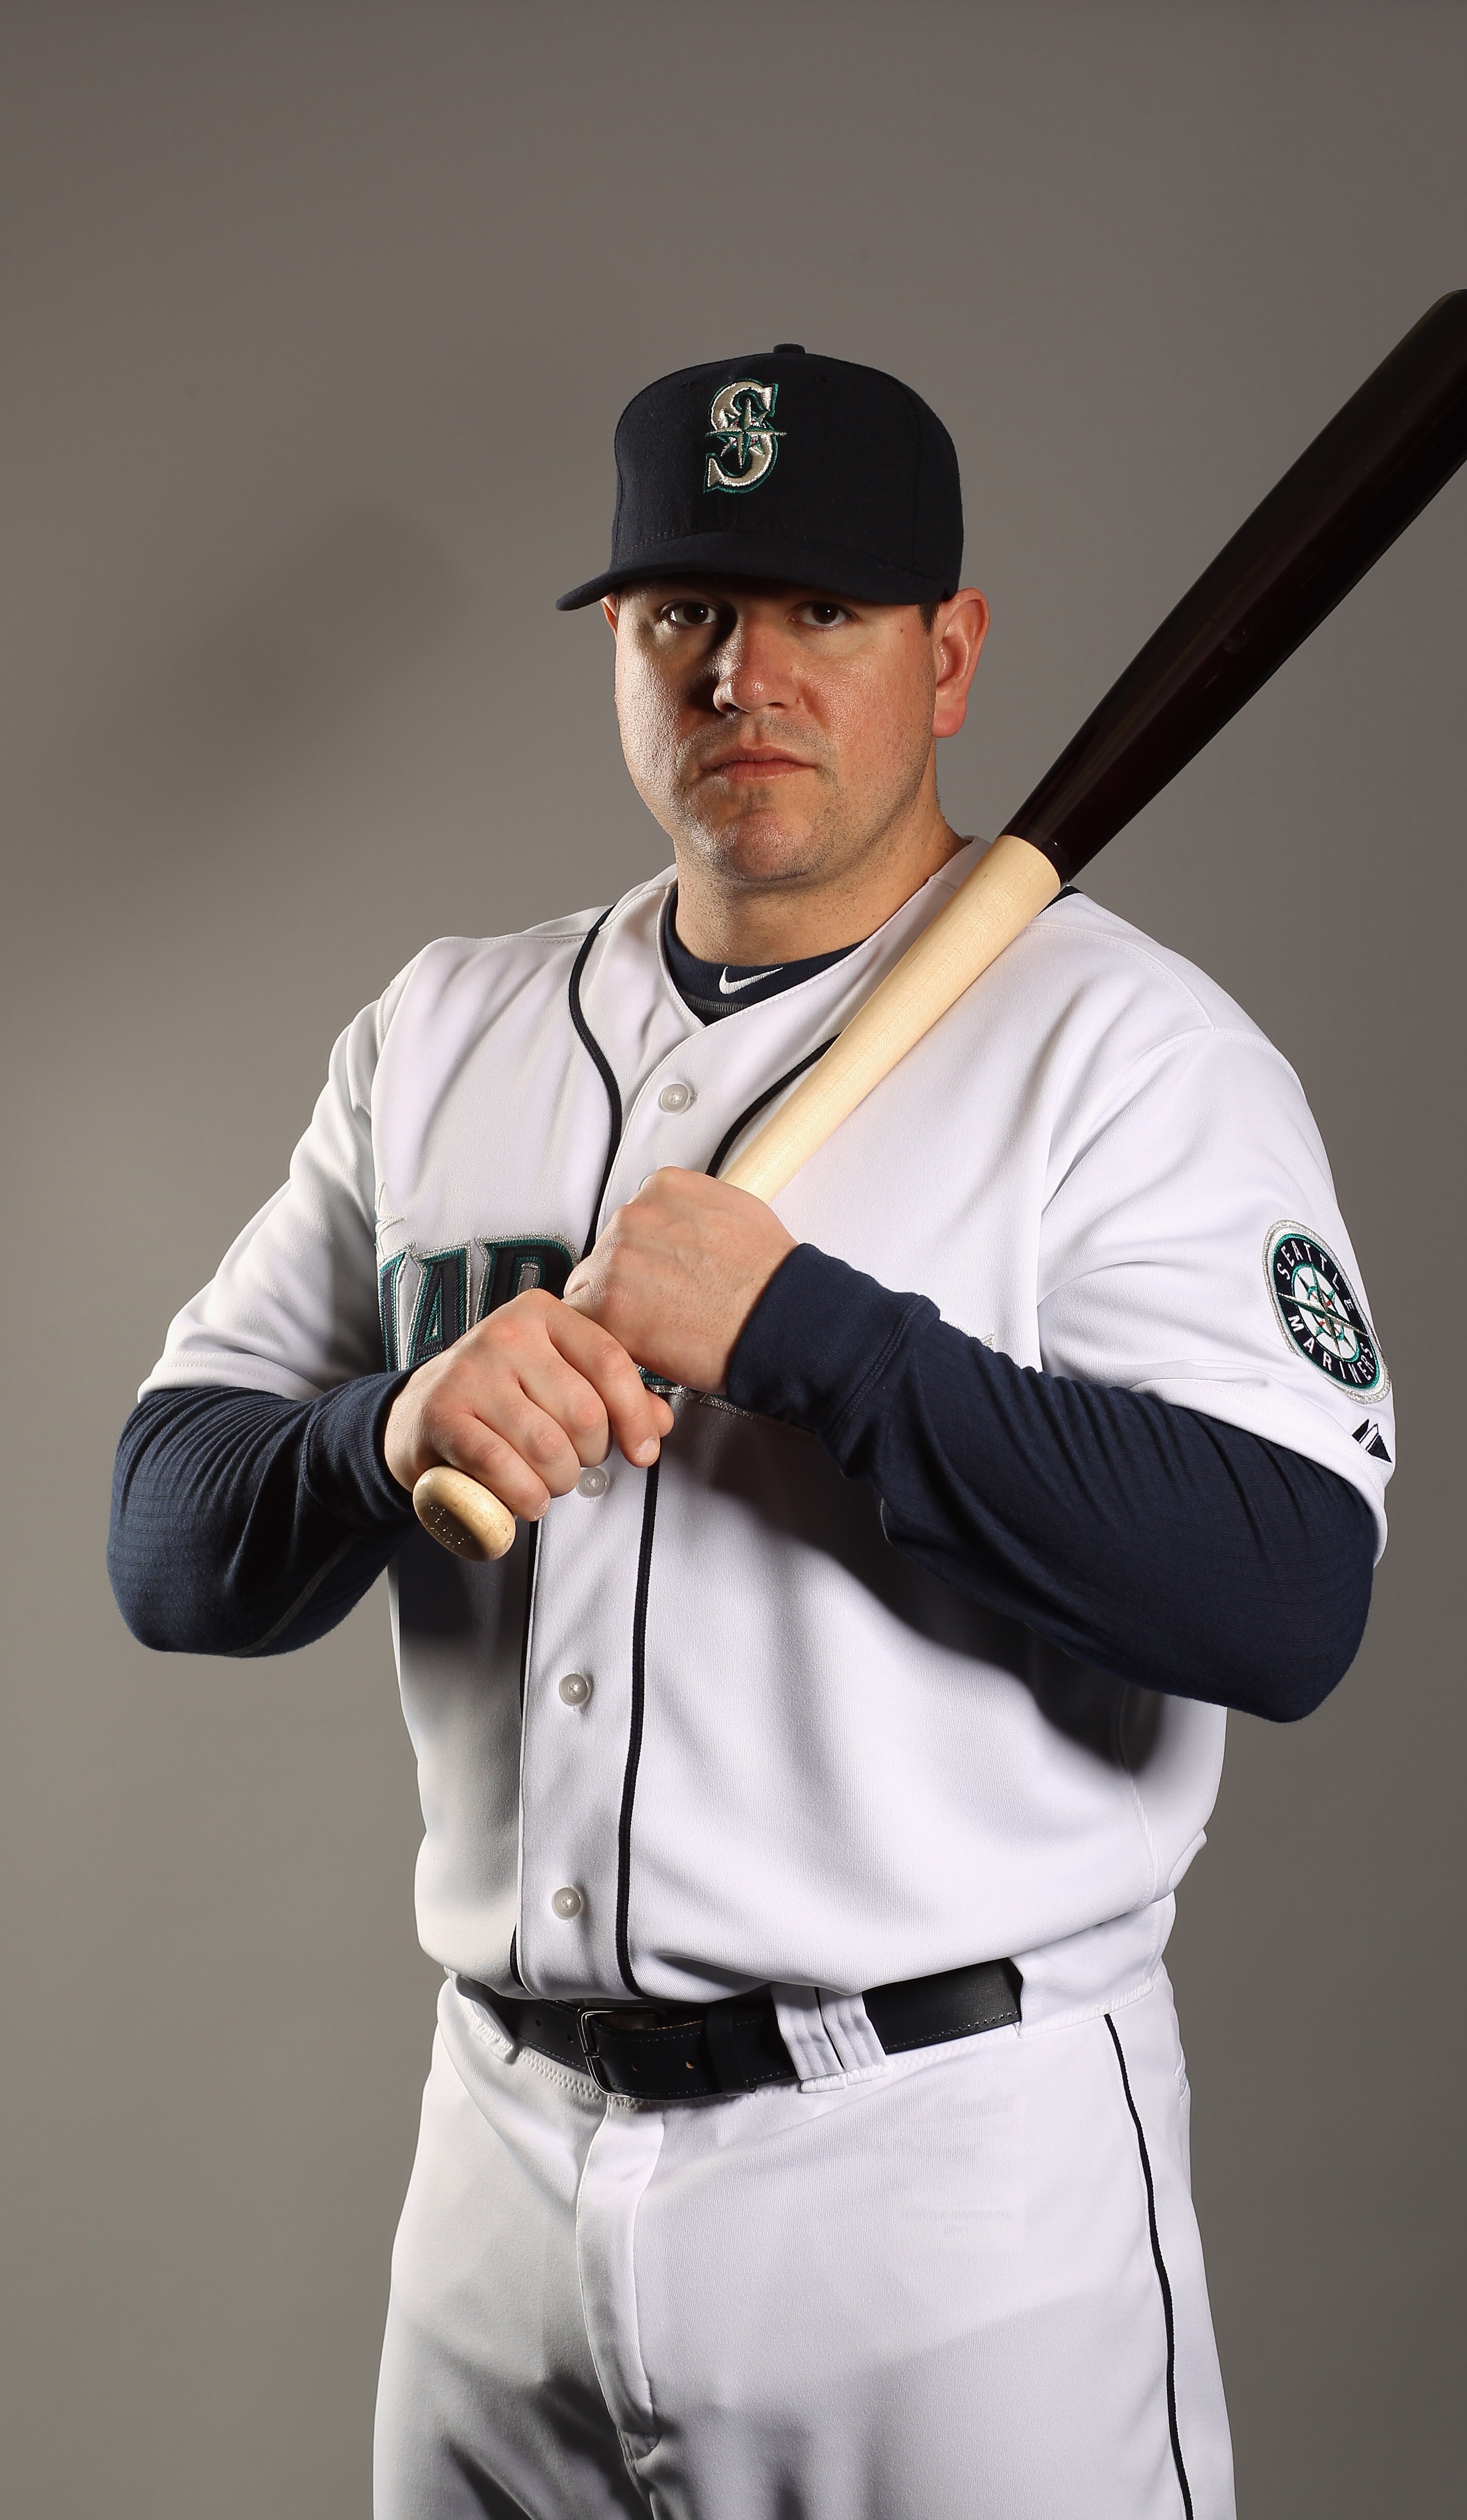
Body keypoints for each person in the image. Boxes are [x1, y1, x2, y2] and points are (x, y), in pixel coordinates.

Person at [110, 346, 1393, 2520]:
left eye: (826, 612)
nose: (746, 674)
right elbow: (165, 1543)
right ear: (621, 646)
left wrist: (813, 1337)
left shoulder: (1129, 1053)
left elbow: (1285, 1597)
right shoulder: (443, 1034)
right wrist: (383, 1424)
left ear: (951, 652)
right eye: (686, 612)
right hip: (497, 2172)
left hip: (943, 2187)